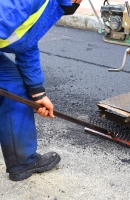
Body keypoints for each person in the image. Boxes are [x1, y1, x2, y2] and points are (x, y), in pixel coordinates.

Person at [0, 0, 82, 181]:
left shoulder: (52, 5)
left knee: (13, 87)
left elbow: (27, 44)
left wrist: (38, 93)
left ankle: (22, 163)